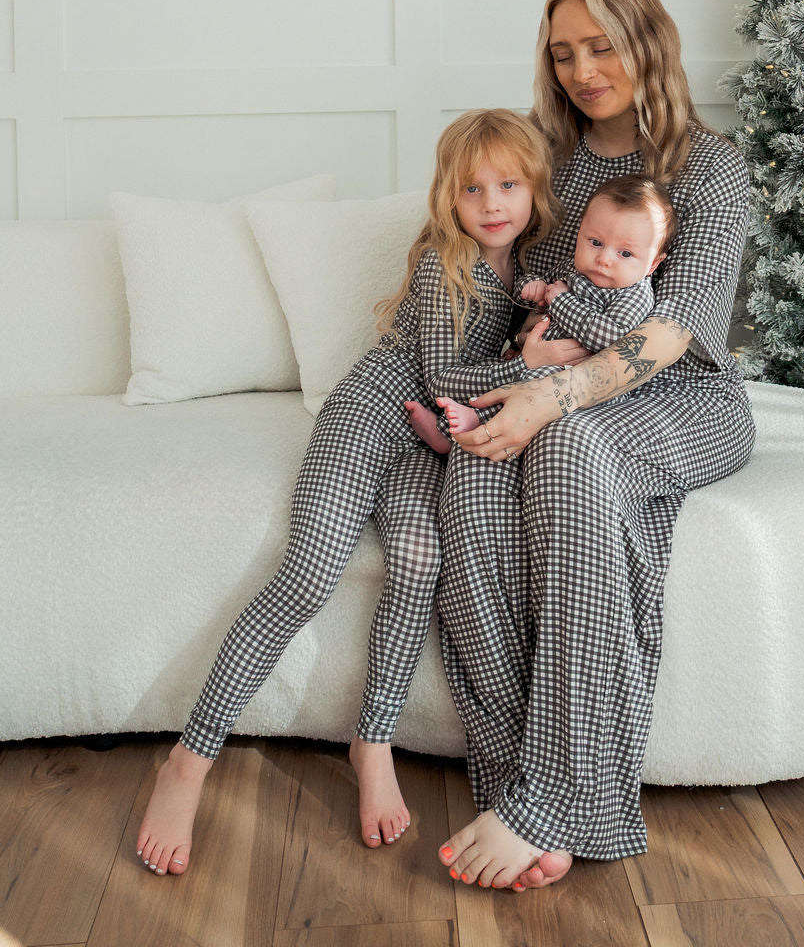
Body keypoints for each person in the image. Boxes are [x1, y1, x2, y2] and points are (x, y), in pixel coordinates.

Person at [135, 108, 560, 877]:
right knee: (307, 576)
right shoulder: (445, 262)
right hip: (370, 420)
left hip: (427, 445)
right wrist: (537, 371)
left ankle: (374, 741)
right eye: (472, 189)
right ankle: (188, 763)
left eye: (508, 184)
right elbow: (441, 378)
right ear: (448, 199)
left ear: (534, 188)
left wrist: (542, 350)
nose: (492, 202)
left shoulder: (530, 275)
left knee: (420, 565)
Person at [433, 0, 757, 893]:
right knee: (473, 479)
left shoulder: (709, 165)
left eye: (602, 45)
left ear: (646, 41)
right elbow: (507, 281)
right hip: (558, 377)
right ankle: (516, 788)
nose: (582, 69)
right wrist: (506, 379)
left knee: (570, 446)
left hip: (682, 397)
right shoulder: (550, 160)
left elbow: (675, 324)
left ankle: (561, 797)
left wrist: (554, 398)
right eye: (563, 51)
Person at [410, 174, 677, 447]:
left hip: (579, 381)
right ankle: (453, 427)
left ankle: (460, 430)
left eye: (625, 254)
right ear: (580, 234)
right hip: (540, 356)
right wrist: (533, 287)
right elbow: (535, 287)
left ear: (653, 264)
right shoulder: (573, 270)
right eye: (595, 243)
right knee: (497, 368)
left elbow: (609, 336)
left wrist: (560, 301)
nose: (604, 259)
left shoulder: (634, 294)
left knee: (529, 384)